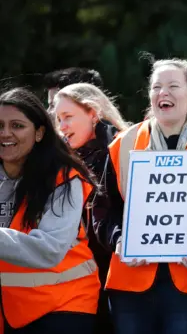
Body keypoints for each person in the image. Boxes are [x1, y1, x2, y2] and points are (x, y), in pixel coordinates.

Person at [94, 58, 187, 334]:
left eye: (173, 86)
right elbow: (103, 210)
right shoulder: (122, 144)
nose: (163, 93)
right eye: (156, 87)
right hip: (131, 282)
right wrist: (119, 241)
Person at [0, 88, 100, 333]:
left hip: (65, 302)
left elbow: (50, 249)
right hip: (12, 307)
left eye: (17, 125)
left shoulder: (64, 179)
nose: (5, 133)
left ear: (40, 132)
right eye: (0, 125)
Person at [52, 83, 130, 334]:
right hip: (77, 286)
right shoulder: (60, 161)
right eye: (58, 119)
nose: (61, 126)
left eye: (68, 117)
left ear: (93, 113)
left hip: (120, 280)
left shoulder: (124, 150)